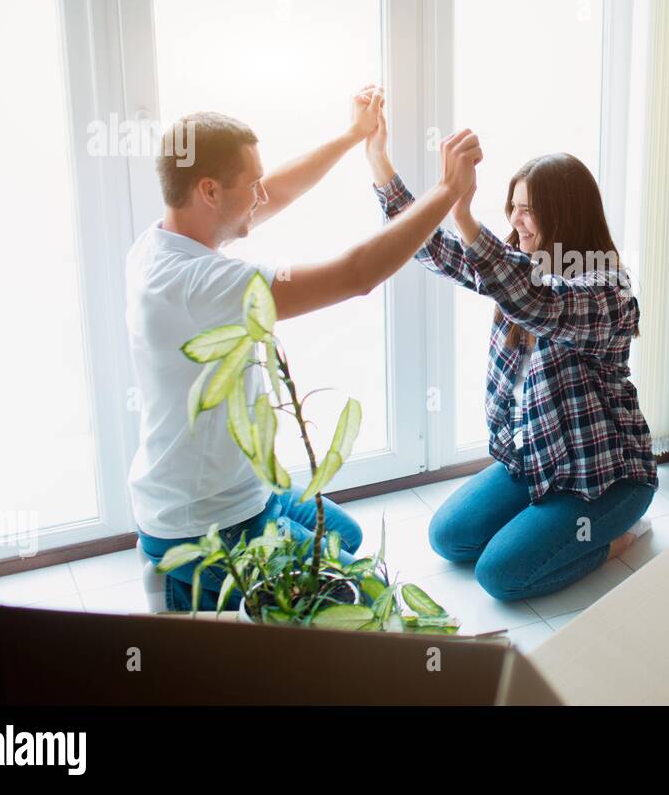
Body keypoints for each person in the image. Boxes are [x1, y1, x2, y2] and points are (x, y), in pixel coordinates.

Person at [128, 87, 482, 610]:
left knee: (345, 539)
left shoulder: (160, 241)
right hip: (210, 524)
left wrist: (353, 136)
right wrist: (448, 190)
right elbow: (355, 274)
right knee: (357, 600)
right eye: (250, 186)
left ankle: (193, 590)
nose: (261, 196)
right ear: (208, 191)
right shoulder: (199, 283)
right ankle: (184, 590)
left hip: (237, 492)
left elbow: (278, 190)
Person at [365, 92, 657, 602]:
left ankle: (613, 540)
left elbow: (540, 303)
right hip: (535, 458)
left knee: (499, 576)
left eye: (530, 212)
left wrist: (463, 213)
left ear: (568, 217)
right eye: (514, 208)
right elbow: (435, 252)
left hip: (604, 478)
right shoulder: (520, 269)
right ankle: (543, 523)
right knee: (448, 537)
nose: (517, 222)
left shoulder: (609, 290)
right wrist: (379, 161)